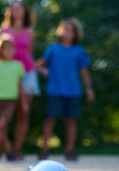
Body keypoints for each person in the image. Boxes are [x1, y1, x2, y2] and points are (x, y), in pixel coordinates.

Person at [0, 1, 39, 161]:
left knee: (23, 112)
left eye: (19, 7)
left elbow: (29, 55)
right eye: (13, 7)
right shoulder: (1, 30)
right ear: (9, 11)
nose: (16, 9)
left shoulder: (30, 32)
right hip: (5, 75)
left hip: (27, 73)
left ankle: (16, 150)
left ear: (25, 11)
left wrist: (39, 68)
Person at [36, 18, 95, 161]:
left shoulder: (79, 51)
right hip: (55, 90)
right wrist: (44, 71)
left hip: (73, 91)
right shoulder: (53, 49)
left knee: (71, 121)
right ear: (60, 31)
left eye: (70, 30)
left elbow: (84, 72)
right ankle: (44, 149)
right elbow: (38, 65)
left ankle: (69, 151)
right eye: (65, 28)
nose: (67, 32)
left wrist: (88, 88)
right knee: (50, 119)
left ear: (75, 34)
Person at [0, 35, 25, 161]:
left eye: (11, 49)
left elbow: (20, 84)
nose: (9, 52)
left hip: (10, 100)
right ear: (0, 51)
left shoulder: (18, 65)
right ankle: (8, 151)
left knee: (2, 124)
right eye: (5, 49)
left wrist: (23, 101)